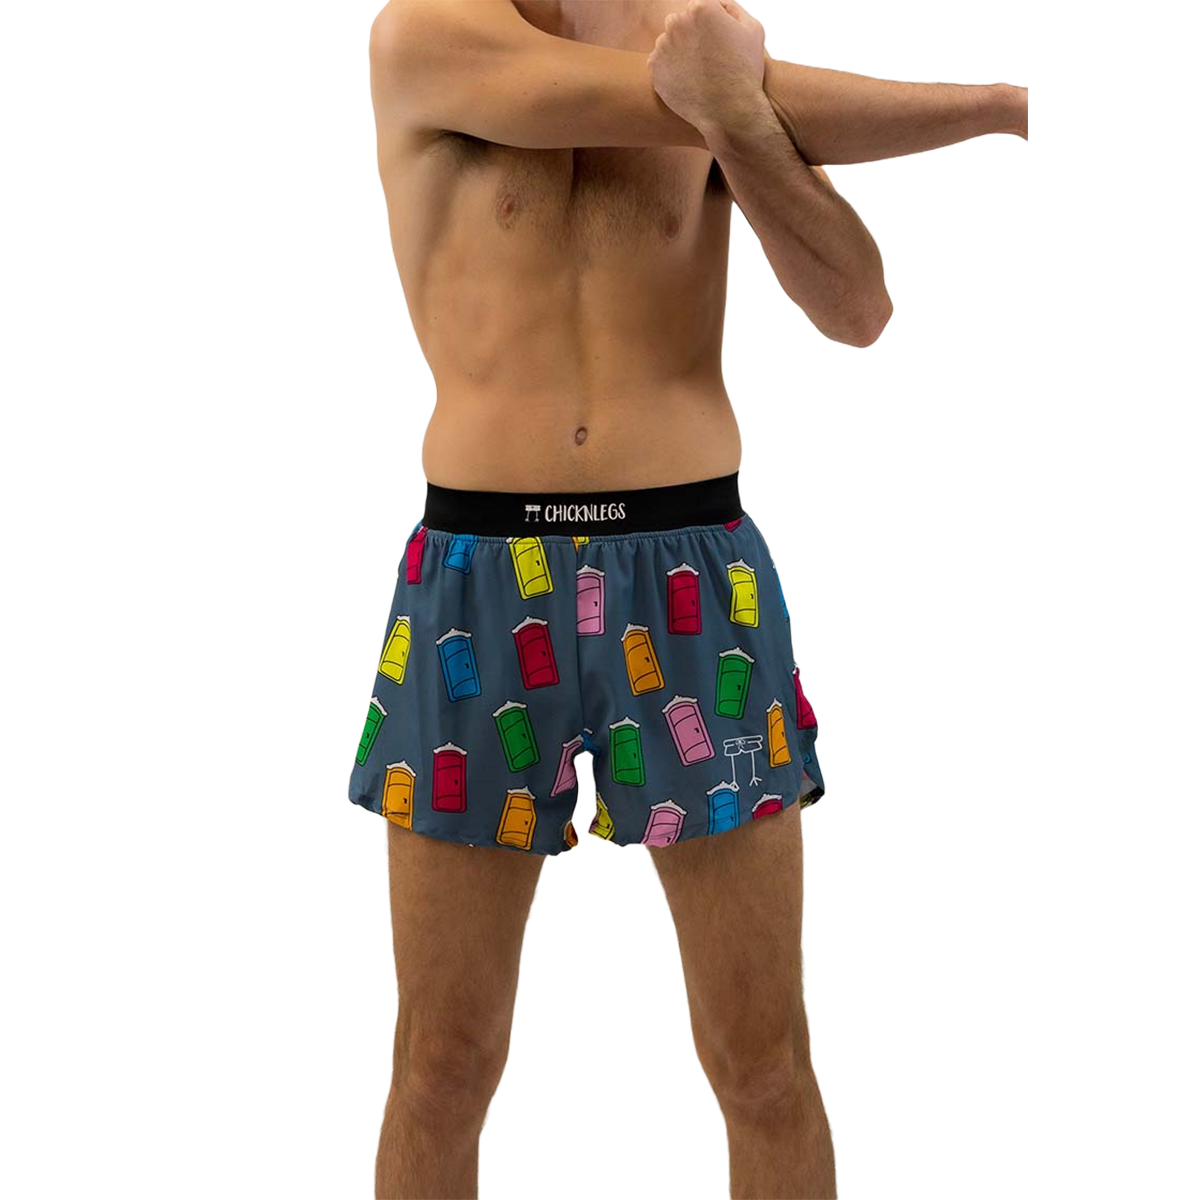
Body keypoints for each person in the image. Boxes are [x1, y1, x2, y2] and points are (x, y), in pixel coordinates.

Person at [348, 1, 1028, 1196]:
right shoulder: (428, 33)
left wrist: (744, 124)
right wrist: (1007, 107)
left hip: (689, 573)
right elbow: (657, 97)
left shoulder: (707, 50)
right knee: (442, 1065)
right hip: (479, 578)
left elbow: (859, 309)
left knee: (761, 1063)